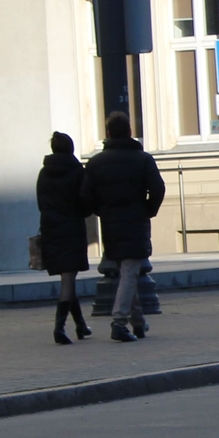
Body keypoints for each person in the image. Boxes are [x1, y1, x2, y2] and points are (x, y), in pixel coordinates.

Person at [81, 112, 165, 341]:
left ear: (108, 133)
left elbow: (85, 196)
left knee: (127, 271)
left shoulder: (96, 162)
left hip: (110, 223)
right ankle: (119, 322)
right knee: (129, 271)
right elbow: (158, 189)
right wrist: (148, 210)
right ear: (129, 131)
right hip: (136, 221)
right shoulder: (143, 159)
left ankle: (138, 322)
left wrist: (101, 210)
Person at [35, 131, 93, 345]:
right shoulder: (77, 171)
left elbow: (41, 203)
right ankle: (59, 327)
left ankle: (81, 325)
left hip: (51, 228)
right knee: (68, 278)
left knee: (67, 278)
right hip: (72, 228)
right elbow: (85, 199)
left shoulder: (44, 173)